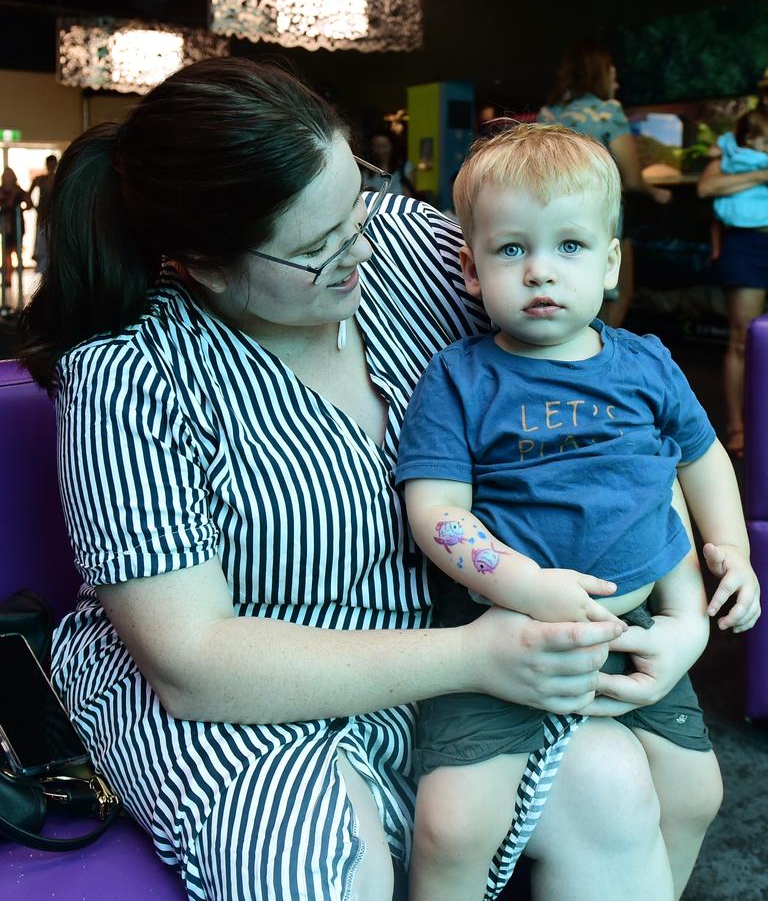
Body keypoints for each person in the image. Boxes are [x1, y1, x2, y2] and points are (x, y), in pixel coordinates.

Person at [18, 59, 719, 901]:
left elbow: (614, 423)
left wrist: (682, 620)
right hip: (247, 683)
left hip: (473, 637)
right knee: (316, 869)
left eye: (355, 203)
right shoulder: (132, 377)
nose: (360, 248)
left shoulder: (415, 248)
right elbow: (192, 658)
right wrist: (470, 655)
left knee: (614, 792)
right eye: (318, 249)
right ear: (204, 264)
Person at [397, 123, 760, 901]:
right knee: (453, 826)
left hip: (634, 640)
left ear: (610, 262)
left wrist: (730, 545)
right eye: (510, 250)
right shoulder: (459, 377)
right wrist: (523, 584)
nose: (539, 272)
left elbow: (701, 458)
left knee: (696, 794)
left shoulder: (647, 363)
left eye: (568, 247)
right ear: (469, 267)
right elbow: (436, 512)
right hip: (500, 635)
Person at [538, 40, 672, 328]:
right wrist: (657, 193)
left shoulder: (547, 115)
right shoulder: (608, 111)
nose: (617, 81)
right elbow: (634, 179)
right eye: (613, 73)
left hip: (550, 217)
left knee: (563, 295)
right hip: (599, 216)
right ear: (601, 74)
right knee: (612, 295)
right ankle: (603, 365)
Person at [697, 109, 768, 458]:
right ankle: (737, 427)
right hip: (747, 244)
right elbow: (707, 186)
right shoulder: (734, 147)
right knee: (741, 339)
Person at [0, 167, 32, 287]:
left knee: (17, 250)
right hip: (5, 225)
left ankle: (19, 279)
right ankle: (7, 279)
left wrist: (19, 210)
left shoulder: (18, 191)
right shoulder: (1, 190)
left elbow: (29, 204)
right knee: (6, 252)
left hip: (17, 223)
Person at [29, 154, 58, 274]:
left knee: (53, 241)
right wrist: (34, 207)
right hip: (43, 216)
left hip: (55, 216)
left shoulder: (59, 178)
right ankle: (43, 269)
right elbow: (28, 194)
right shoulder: (40, 179)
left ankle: (51, 268)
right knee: (42, 242)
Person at [368, 127, 415, 196]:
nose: (380, 151)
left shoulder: (406, 168)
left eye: (384, 146)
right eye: (376, 147)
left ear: (392, 146)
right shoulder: (366, 170)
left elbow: (409, 198)